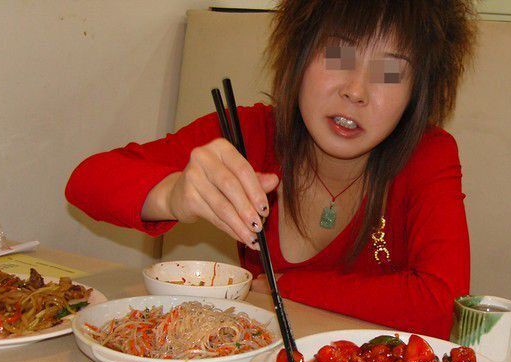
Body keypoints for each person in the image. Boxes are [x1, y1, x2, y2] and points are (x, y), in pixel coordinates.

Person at [66, 0, 476, 339]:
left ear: (417, 93)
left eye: (390, 72)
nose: (355, 90)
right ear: (299, 54)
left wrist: (284, 284)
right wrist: (172, 194)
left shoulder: (427, 155)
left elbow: (442, 305)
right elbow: (87, 181)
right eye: (338, 55)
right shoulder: (250, 134)